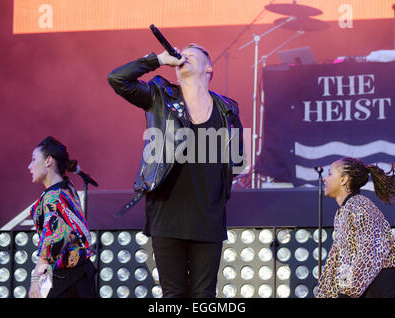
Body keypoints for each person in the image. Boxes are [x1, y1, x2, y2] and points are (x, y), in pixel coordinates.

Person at [107, 44, 245, 297]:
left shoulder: (227, 110)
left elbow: (236, 162)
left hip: (207, 217)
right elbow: (117, 78)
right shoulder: (160, 97)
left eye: (193, 54)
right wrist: (157, 59)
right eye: (182, 54)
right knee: (173, 295)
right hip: (167, 213)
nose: (184, 55)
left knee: (204, 295)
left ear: (209, 68)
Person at [316, 157, 395, 298]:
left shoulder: (360, 206)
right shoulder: (344, 211)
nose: (325, 179)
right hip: (369, 289)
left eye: (330, 174)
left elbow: (369, 253)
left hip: (385, 289)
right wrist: (326, 292)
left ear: (343, 179)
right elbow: (338, 259)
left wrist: (347, 292)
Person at [28, 136, 97, 298]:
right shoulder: (67, 188)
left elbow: (54, 239)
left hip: (69, 277)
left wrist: (35, 279)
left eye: (33, 159)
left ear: (48, 161)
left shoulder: (55, 196)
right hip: (75, 274)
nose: (30, 166)